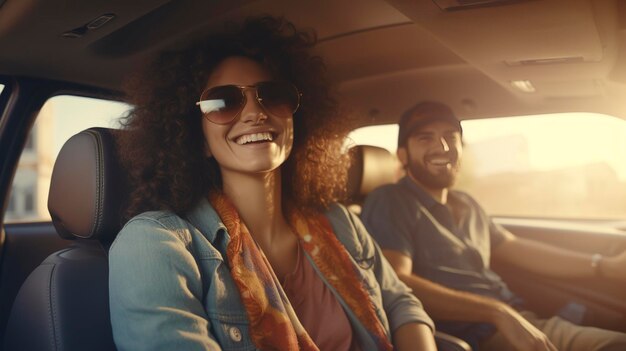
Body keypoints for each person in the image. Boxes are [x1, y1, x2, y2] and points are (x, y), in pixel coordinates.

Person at [108, 17, 436, 351]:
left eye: (273, 96)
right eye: (223, 102)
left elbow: (402, 306)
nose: (255, 112)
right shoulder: (156, 244)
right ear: (198, 138)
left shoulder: (341, 222)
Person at [360, 101, 626, 351]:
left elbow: (516, 247)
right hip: (477, 336)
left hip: (518, 319)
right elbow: (396, 282)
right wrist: (496, 312)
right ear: (403, 155)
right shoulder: (390, 201)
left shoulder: (466, 203)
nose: (442, 146)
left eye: (451, 136)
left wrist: (602, 266)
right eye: (424, 138)